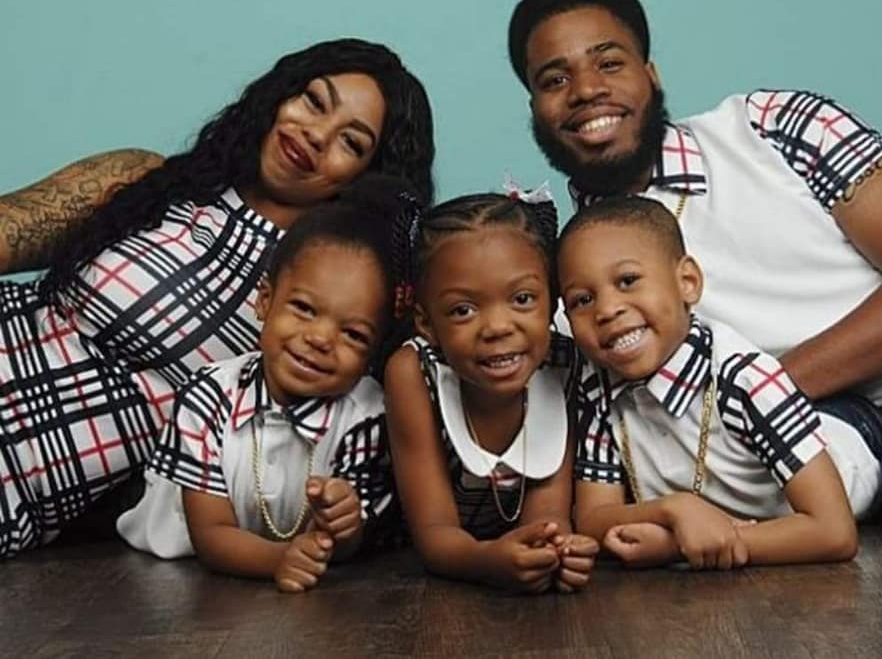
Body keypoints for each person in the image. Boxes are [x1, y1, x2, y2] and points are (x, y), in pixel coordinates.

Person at [494, 0, 882, 540]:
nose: (585, 91)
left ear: (650, 73)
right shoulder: (578, 282)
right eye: (554, 79)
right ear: (533, 110)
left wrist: (769, 389)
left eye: (609, 63)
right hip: (830, 441)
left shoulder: (772, 127)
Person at [0, 38, 435, 557]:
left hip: (20, 483)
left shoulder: (346, 297)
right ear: (278, 96)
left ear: (369, 177)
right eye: (313, 101)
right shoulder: (144, 180)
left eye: (352, 143)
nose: (315, 135)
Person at [116, 175, 419, 592]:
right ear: (264, 300)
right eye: (303, 308)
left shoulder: (369, 414)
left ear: (373, 351)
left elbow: (337, 546)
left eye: (353, 335)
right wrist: (279, 559)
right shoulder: (208, 396)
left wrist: (344, 521)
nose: (319, 339)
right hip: (176, 558)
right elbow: (210, 535)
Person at [561, 196, 882, 568]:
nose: (606, 310)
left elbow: (833, 533)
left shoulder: (745, 381)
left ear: (688, 282)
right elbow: (592, 521)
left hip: (846, 449)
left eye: (628, 280)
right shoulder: (596, 387)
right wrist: (674, 510)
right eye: (582, 300)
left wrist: (677, 546)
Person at [384, 191, 598, 593]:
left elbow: (549, 513)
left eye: (522, 299)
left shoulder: (565, 364)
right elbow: (434, 533)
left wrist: (554, 551)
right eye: (463, 309)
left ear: (551, 303)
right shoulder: (413, 372)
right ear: (426, 324)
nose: (498, 326)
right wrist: (489, 561)